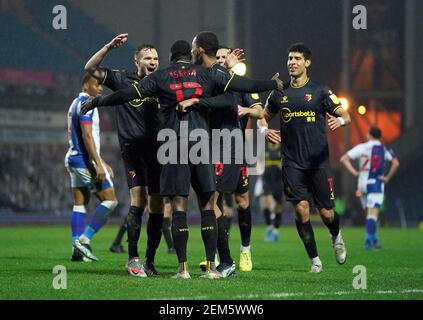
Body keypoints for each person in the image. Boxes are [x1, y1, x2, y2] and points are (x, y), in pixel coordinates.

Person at [81, 39, 283, 279]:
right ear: (191, 54)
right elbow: (239, 89)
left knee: (178, 205)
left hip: (170, 141)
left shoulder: (160, 77)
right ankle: (211, 267)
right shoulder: (206, 74)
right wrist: (274, 83)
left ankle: (182, 269)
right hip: (200, 140)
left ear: (169, 56)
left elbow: (126, 95)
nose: (153, 62)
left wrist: (98, 101)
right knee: (208, 204)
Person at [260, 43, 351, 273]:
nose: (292, 62)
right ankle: (315, 261)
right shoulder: (279, 92)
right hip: (292, 162)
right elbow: (262, 117)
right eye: (290, 58)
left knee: (326, 213)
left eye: (297, 58)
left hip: (318, 162)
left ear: (307, 63)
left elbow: (346, 114)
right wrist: (264, 130)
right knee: (301, 210)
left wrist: (339, 121)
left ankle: (336, 234)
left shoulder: (320, 91)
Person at [84, 34, 163, 277]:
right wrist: (108, 47)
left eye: (156, 58)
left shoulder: (162, 82)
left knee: (158, 207)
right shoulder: (121, 79)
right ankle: (132, 258)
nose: (153, 61)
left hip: (159, 151)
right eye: (148, 58)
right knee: (138, 203)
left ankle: (150, 260)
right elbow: (90, 68)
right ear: (136, 61)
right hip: (133, 151)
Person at [65, 74, 118, 262]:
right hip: (84, 161)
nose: (101, 88)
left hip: (72, 158)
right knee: (110, 200)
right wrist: (98, 165)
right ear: (86, 84)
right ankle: (84, 240)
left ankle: (75, 250)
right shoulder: (88, 103)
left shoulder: (74, 102)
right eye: (97, 84)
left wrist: (102, 160)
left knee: (80, 203)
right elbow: (88, 137)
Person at [340, 126, 399, 249]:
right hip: (376, 183)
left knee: (370, 214)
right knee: (373, 214)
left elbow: (344, 159)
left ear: (369, 135)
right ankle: (368, 240)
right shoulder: (383, 149)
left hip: (362, 183)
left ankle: (375, 239)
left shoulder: (362, 147)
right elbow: (395, 163)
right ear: (379, 136)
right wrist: (387, 177)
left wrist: (354, 172)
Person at [262, 141, 284, 242]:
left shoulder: (282, 149)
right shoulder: (265, 148)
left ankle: (276, 229)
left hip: (278, 179)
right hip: (267, 178)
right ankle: (269, 227)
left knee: (278, 204)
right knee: (266, 202)